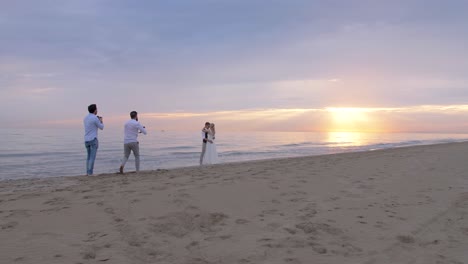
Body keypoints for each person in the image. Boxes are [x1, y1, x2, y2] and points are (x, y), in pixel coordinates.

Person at [83, 104, 104, 176]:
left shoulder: (85, 118)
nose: (97, 110)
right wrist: (101, 121)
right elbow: (101, 127)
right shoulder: (95, 118)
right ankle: (90, 173)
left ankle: (87, 172)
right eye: (96, 109)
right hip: (93, 139)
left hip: (86, 139)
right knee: (92, 157)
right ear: (95, 110)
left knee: (88, 157)